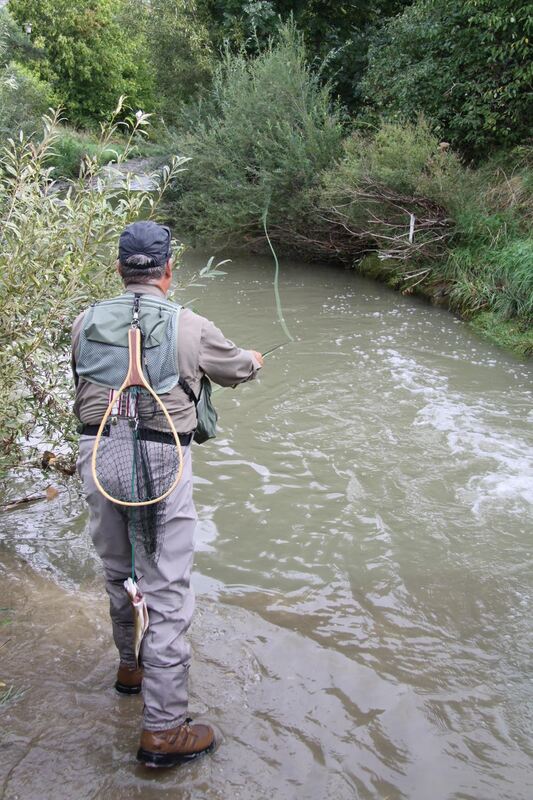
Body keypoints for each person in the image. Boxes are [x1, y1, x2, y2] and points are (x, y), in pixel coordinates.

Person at [72, 221, 263, 768]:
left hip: (99, 453)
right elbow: (235, 370)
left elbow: (81, 387)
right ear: (168, 271)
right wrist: (254, 361)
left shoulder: (84, 321)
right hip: (165, 456)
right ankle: (163, 730)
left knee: (118, 572)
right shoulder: (192, 325)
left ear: (118, 269)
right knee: (167, 588)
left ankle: (130, 670)